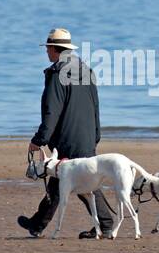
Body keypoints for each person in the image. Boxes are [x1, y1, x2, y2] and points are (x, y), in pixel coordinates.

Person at [18, 28, 115, 238]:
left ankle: (106, 224)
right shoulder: (86, 70)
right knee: (62, 181)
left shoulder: (56, 74)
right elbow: (95, 106)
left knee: (80, 181)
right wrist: (96, 134)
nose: (46, 53)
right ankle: (37, 224)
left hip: (67, 139)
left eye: (47, 49)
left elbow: (52, 112)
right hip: (87, 136)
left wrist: (39, 140)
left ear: (54, 49)